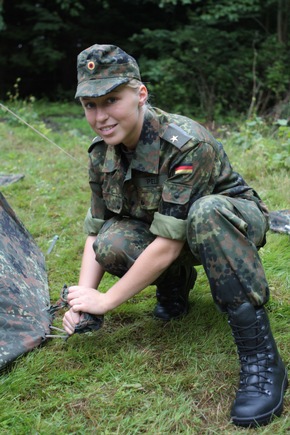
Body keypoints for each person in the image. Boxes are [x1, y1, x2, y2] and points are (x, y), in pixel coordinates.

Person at [62, 44, 288, 427]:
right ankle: (174, 286)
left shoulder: (186, 144)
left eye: (111, 100)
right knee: (111, 242)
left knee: (206, 212)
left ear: (140, 94)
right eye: (89, 105)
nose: (100, 117)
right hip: (170, 229)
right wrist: (84, 303)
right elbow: (96, 229)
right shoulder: (102, 152)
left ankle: (261, 358)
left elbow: (168, 244)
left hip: (231, 223)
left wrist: (108, 301)